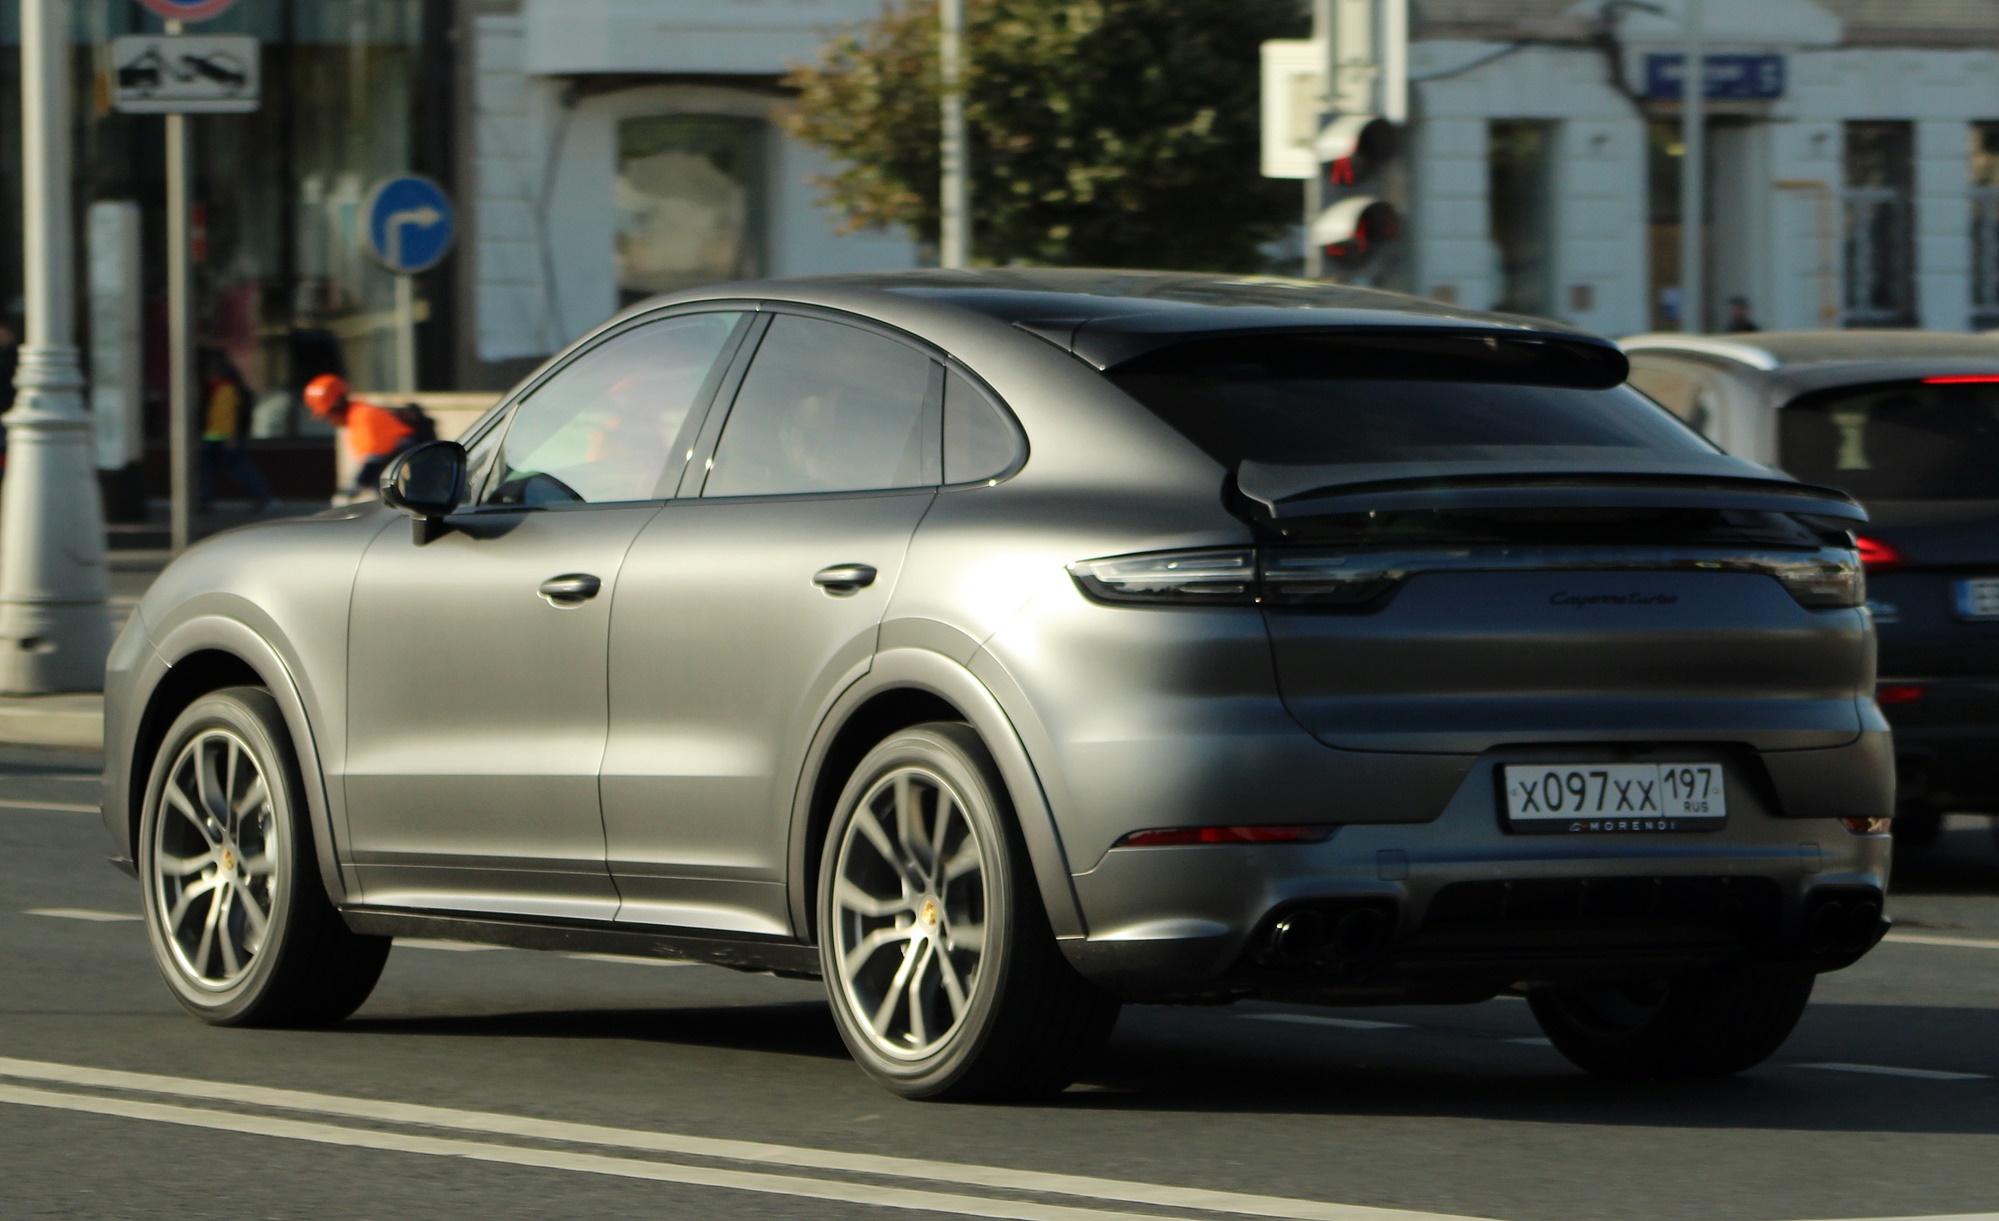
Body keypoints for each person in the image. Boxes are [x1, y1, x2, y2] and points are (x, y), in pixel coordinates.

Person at [303, 374, 425, 500]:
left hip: (410, 469)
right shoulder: (357, 415)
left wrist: (355, 486)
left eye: (327, 415)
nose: (328, 421)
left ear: (337, 407)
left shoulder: (363, 416)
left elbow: (374, 459)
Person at [197, 346, 273, 513]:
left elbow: (228, 416)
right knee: (207, 469)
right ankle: (203, 500)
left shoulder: (226, 388)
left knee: (234, 467)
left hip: (223, 436)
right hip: (213, 435)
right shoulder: (214, 387)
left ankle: (261, 495)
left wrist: (231, 436)